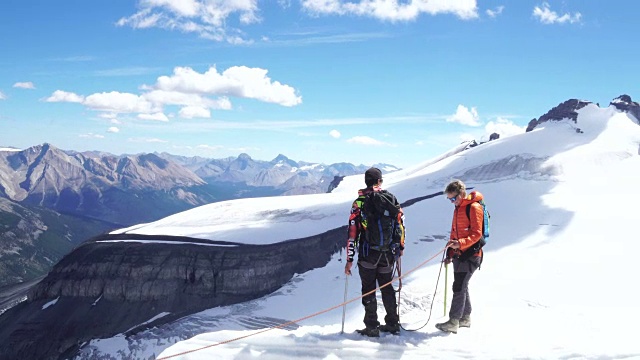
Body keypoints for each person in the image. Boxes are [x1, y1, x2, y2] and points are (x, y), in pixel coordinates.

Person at [344, 167, 405, 337]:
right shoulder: (391, 199)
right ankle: (393, 323)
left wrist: (349, 259)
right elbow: (401, 223)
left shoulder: (360, 202)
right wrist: (400, 248)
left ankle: (372, 327)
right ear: (379, 181)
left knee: (369, 289)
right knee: (387, 288)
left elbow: (352, 233)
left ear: (366, 181)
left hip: (367, 255)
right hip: (387, 255)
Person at [436, 179, 484, 334]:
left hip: (470, 255)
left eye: (453, 198)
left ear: (462, 193)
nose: (452, 202)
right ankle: (465, 317)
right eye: (449, 199)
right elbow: (454, 232)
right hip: (459, 254)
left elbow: (477, 234)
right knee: (462, 285)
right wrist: (451, 252)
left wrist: (460, 244)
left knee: (458, 286)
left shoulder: (474, 207)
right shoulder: (458, 208)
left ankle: (454, 321)